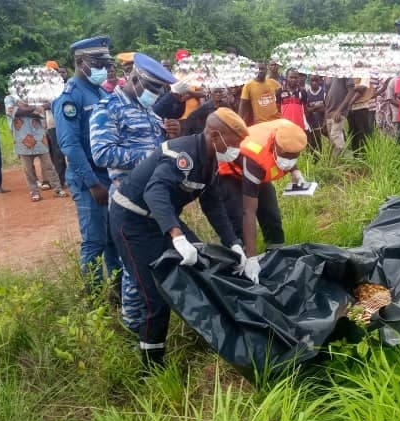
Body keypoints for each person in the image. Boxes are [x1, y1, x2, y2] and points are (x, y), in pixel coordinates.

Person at [109, 108, 249, 369]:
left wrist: (234, 244)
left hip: (160, 218)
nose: (237, 150)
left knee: (202, 265)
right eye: (234, 143)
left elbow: (214, 204)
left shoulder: (210, 162)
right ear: (216, 136)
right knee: (155, 295)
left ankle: (212, 333)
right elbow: (155, 193)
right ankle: (152, 366)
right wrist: (177, 236)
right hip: (132, 221)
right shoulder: (182, 155)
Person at [89, 52, 180, 331]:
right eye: (152, 88)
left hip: (155, 198)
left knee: (156, 260)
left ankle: (151, 315)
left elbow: (160, 146)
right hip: (127, 200)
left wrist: (172, 136)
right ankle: (133, 325)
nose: (155, 94)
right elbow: (102, 154)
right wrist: (153, 156)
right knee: (134, 267)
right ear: (134, 78)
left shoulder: (149, 109)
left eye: (160, 89)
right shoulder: (108, 108)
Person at [54, 35, 120, 288]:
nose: (104, 68)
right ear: (81, 62)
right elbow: (69, 145)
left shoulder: (101, 91)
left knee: (114, 237)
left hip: (110, 176)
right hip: (88, 179)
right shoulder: (70, 97)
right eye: (98, 62)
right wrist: (93, 183)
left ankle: (118, 291)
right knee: (95, 240)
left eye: (106, 62)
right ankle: (94, 299)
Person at [218, 119, 307, 263]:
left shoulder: (289, 132)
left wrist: (295, 171)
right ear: (275, 147)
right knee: (238, 216)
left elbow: (290, 149)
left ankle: (276, 254)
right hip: (229, 173)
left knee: (270, 211)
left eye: (294, 157)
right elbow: (249, 211)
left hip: (257, 170)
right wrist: (252, 257)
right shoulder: (256, 157)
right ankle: (240, 259)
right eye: (285, 156)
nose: (288, 161)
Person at [6, 95, 67, 202]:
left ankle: (57, 189)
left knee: (49, 165)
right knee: (28, 169)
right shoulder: (9, 98)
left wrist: (24, 109)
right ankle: (34, 192)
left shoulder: (34, 94)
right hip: (22, 140)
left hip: (39, 138)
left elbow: (47, 107)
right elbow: (13, 112)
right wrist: (34, 108)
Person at [43, 62, 68, 187]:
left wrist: (53, 104)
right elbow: (43, 106)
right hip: (52, 123)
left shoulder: (65, 85)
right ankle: (62, 180)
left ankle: (70, 177)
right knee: (57, 153)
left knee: (68, 149)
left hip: (66, 121)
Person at [239, 61, 282, 126]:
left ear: (267, 70)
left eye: (262, 69)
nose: (260, 71)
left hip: (276, 121)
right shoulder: (248, 86)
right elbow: (243, 107)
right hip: (260, 123)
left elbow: (283, 96)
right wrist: (240, 123)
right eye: (258, 69)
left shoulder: (273, 83)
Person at [324, 77, 357, 156]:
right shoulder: (330, 75)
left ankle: (343, 162)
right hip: (329, 113)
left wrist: (339, 110)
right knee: (332, 141)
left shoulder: (345, 72)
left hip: (338, 112)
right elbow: (328, 95)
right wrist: (325, 115)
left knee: (336, 136)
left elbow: (351, 92)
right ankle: (337, 164)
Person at [346, 76, 373, 152]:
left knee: (363, 133)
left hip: (361, 107)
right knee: (353, 134)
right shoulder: (350, 74)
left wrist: (351, 88)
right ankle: (355, 156)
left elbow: (362, 88)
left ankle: (365, 157)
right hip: (350, 108)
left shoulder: (365, 73)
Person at [304, 74, 326, 151]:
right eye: (312, 81)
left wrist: (312, 109)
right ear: (309, 81)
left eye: (316, 80)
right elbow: (306, 110)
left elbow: (326, 109)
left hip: (323, 123)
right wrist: (318, 107)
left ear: (320, 81)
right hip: (312, 124)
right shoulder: (306, 94)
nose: (314, 83)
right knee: (316, 144)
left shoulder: (324, 93)